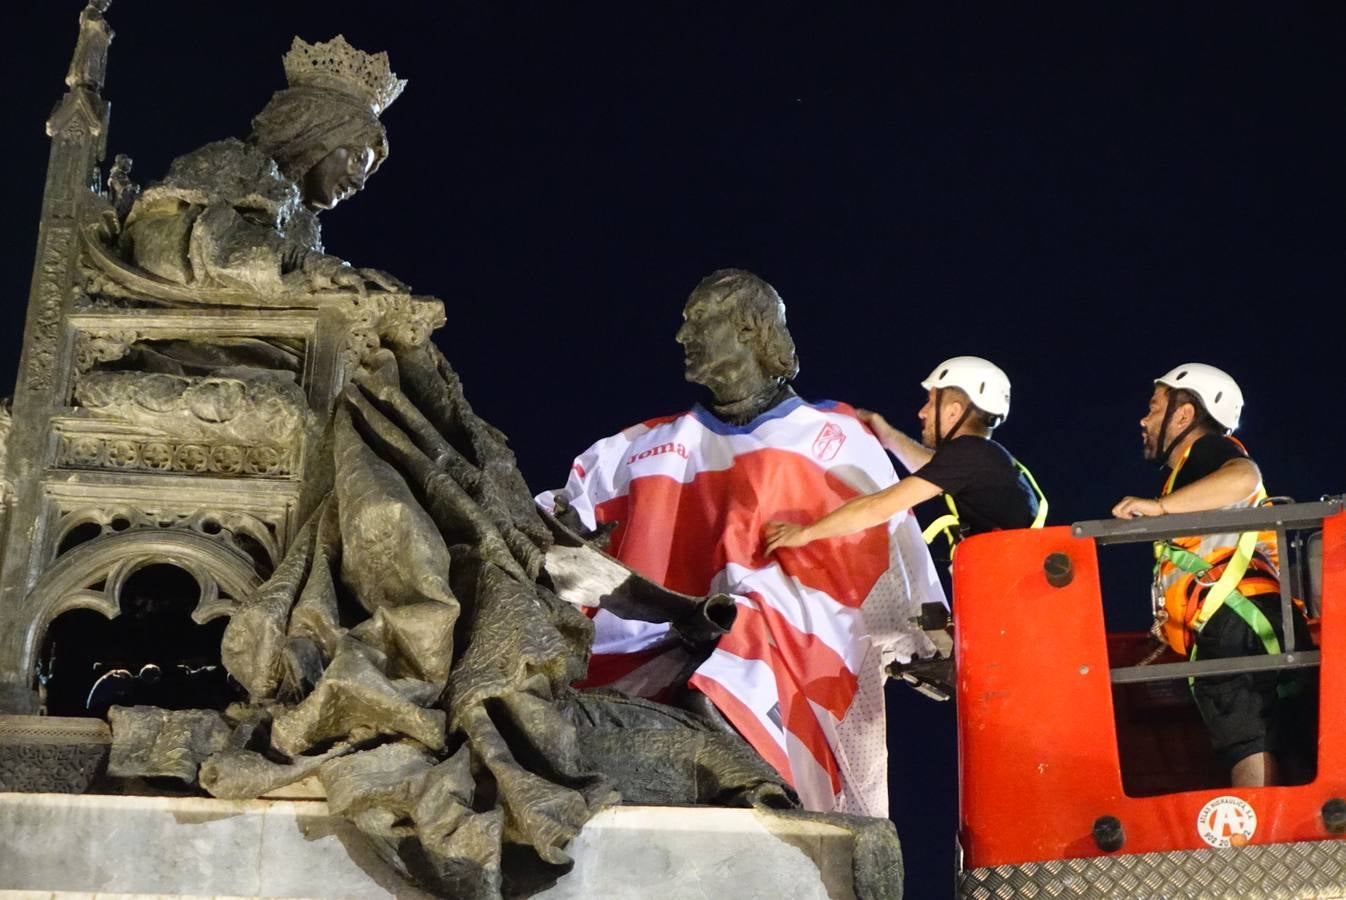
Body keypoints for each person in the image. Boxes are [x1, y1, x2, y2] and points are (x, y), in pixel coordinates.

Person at [537, 268, 946, 816]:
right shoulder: (632, 451)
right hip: (647, 656)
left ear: (752, 331)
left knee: (737, 654)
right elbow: (543, 527)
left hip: (788, 662)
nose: (682, 336)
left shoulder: (834, 440)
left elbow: (895, 564)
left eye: (698, 320)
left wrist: (931, 644)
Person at [1112, 363, 1313, 787]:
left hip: (1235, 617)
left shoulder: (1208, 452)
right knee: (1280, 740)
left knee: (1248, 740)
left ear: (1183, 416)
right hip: (1249, 615)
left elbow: (1245, 476)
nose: (1143, 420)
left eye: (1153, 407)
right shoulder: (1190, 474)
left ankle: (1258, 847)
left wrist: (1160, 509)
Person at [763, 356, 1045, 560]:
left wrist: (804, 534)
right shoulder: (985, 462)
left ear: (954, 412)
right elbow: (930, 468)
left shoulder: (970, 454)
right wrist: (887, 435)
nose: (922, 412)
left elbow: (879, 506)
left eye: (932, 401)